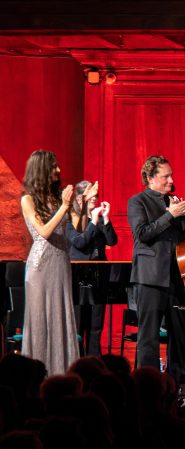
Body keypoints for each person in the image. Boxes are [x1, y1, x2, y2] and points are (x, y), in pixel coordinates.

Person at [127, 155, 185, 384]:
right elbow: (142, 234)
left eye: (171, 175)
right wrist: (170, 215)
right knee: (149, 336)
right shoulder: (138, 201)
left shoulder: (174, 201)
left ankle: (178, 382)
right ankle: (148, 384)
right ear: (151, 178)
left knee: (178, 334)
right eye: (166, 176)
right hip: (150, 278)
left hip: (177, 277)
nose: (171, 180)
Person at [19, 150, 79, 374]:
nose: (59, 170)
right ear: (42, 169)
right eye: (54, 166)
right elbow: (43, 232)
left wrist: (79, 205)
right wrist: (64, 206)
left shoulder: (57, 197)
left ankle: (61, 372)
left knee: (61, 314)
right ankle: (36, 375)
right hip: (41, 266)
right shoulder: (27, 200)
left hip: (61, 263)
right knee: (40, 319)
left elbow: (76, 228)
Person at [67, 179, 117, 356]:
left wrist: (106, 218)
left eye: (97, 195)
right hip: (78, 277)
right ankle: (77, 362)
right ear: (80, 198)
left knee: (96, 325)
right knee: (79, 323)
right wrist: (93, 222)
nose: (95, 198)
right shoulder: (70, 219)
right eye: (92, 195)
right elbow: (80, 243)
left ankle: (94, 362)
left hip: (98, 276)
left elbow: (112, 241)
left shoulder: (99, 219)